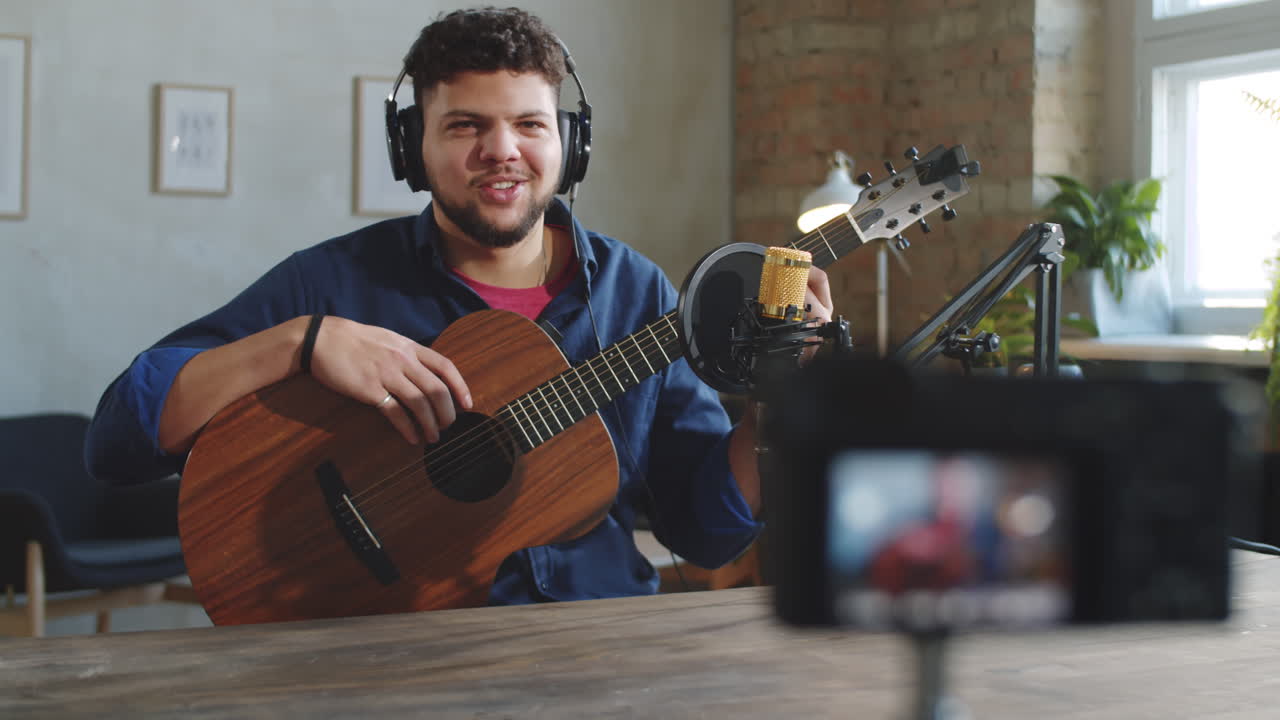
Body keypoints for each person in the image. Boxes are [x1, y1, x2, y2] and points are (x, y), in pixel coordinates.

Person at [85, 6, 832, 605]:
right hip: (384, 652)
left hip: (593, 643)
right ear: (411, 148)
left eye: (530, 125)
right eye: (466, 125)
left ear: (570, 146)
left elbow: (706, 535)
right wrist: (300, 343)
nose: (501, 150)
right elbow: (118, 439)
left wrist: (770, 412)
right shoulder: (336, 284)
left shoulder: (636, 293)